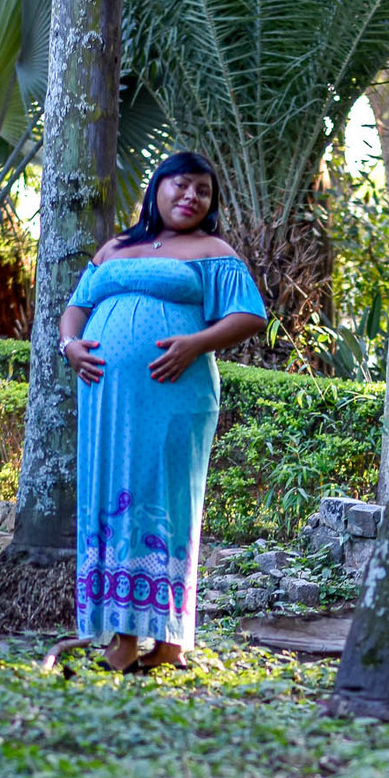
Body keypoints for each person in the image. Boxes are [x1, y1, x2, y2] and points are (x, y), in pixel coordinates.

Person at [58, 151, 267, 672]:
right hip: (106, 399)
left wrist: (196, 343)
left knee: (161, 500)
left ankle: (159, 637)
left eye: (202, 190)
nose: (190, 197)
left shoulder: (212, 251)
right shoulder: (115, 248)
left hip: (173, 395)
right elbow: (76, 307)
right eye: (181, 185)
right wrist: (70, 345)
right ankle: (130, 632)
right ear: (157, 188)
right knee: (110, 497)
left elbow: (250, 316)